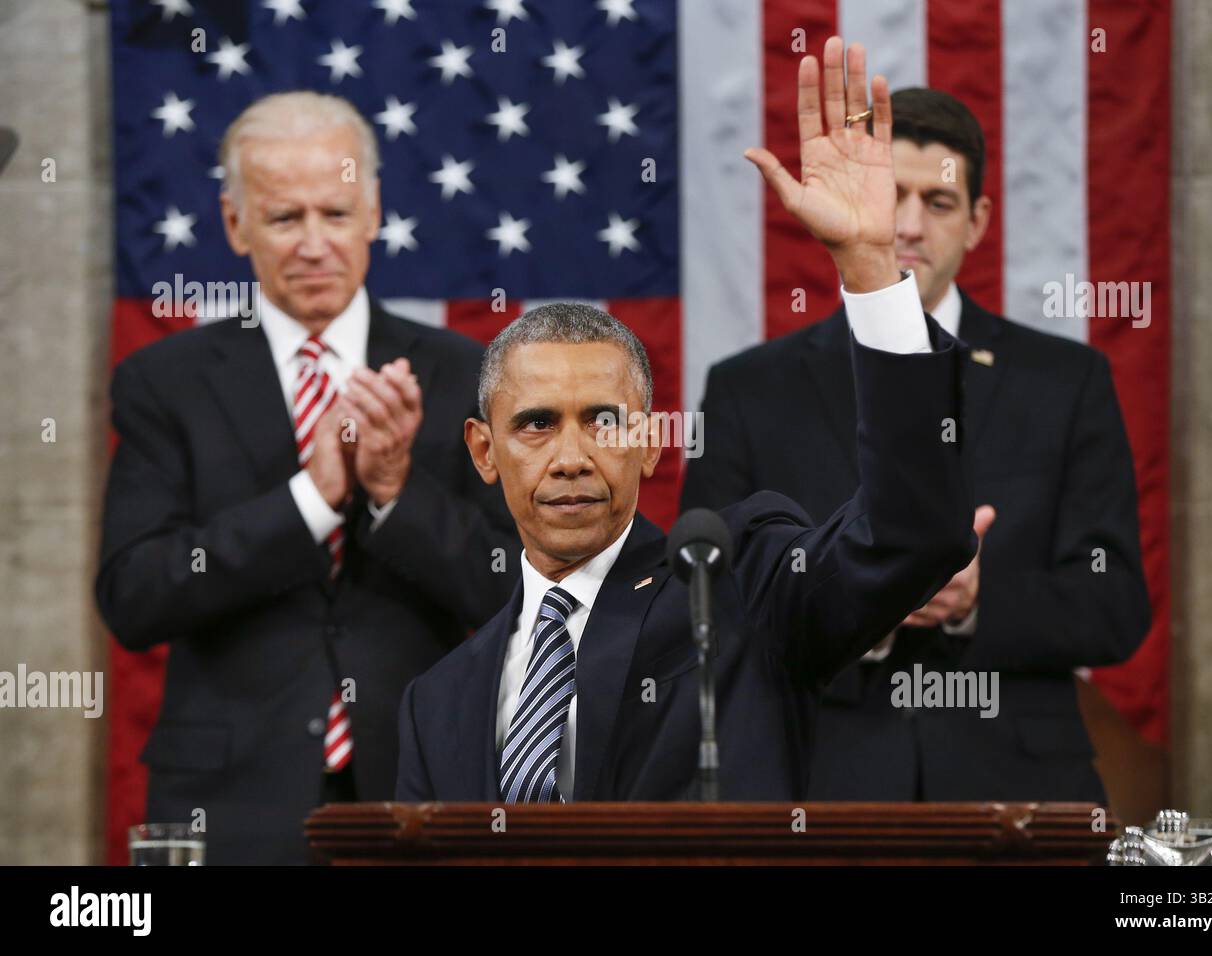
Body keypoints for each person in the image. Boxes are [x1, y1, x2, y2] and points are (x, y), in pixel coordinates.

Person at [397, 38, 975, 803]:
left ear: (646, 439)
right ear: (483, 449)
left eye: (603, 422)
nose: (571, 457)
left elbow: (912, 537)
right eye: (536, 425)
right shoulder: (436, 700)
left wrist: (869, 265)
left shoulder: (741, 598)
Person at [680, 86, 1151, 802]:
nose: (905, 224)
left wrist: (975, 597)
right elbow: (708, 603)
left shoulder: (1067, 380)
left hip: (1018, 788)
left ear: (976, 222)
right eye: (889, 194)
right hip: (817, 782)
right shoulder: (750, 388)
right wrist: (864, 596)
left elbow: (1114, 604)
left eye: (937, 202)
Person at [96, 92, 519, 863]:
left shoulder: (465, 374)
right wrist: (311, 500)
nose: (314, 244)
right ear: (235, 225)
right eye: (286, 219)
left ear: (374, 213)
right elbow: (133, 596)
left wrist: (395, 494)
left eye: (335, 212)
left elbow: (514, 596)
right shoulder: (165, 381)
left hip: (422, 790)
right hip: (228, 807)